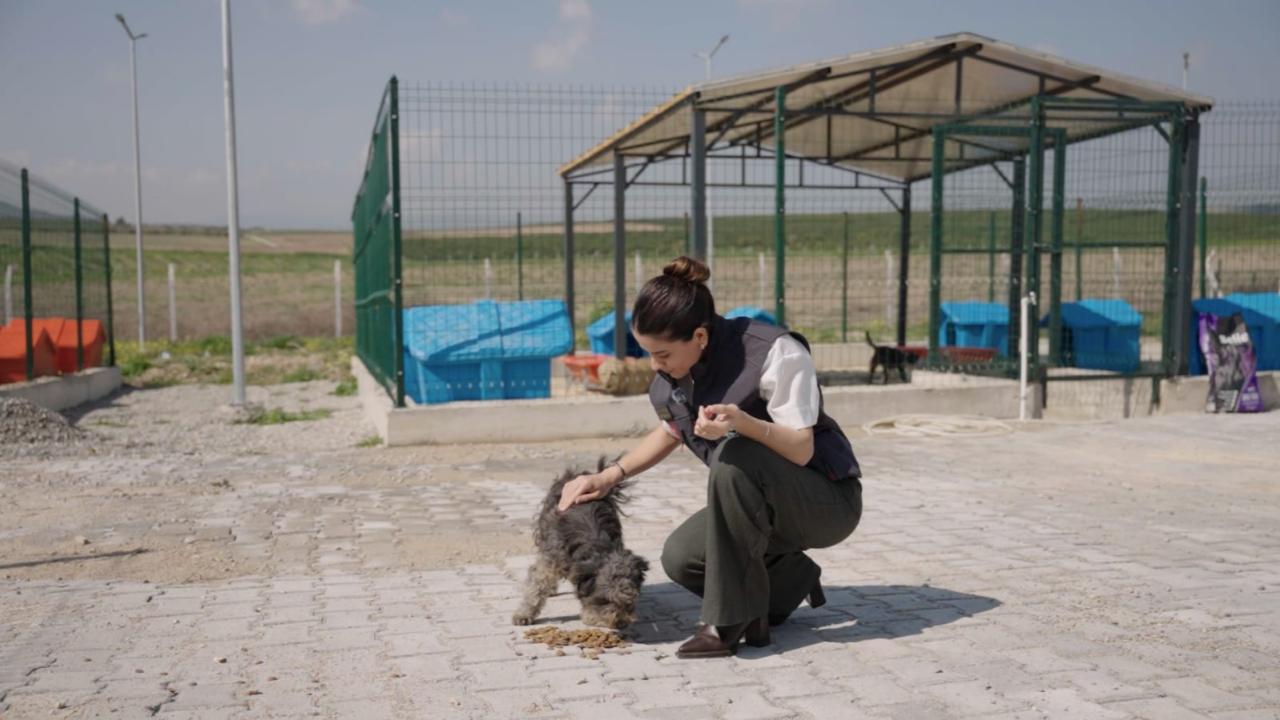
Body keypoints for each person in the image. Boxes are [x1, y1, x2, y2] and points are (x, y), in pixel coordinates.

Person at [558, 255, 863, 659]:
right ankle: (789, 582)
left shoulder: (775, 352)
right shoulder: (674, 379)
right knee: (683, 558)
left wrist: (743, 425)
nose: (655, 365)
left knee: (734, 453)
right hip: (762, 507)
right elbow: (672, 430)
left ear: (699, 337)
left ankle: (725, 620)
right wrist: (609, 476)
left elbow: (801, 447)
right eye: (648, 353)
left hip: (823, 501)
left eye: (663, 354)